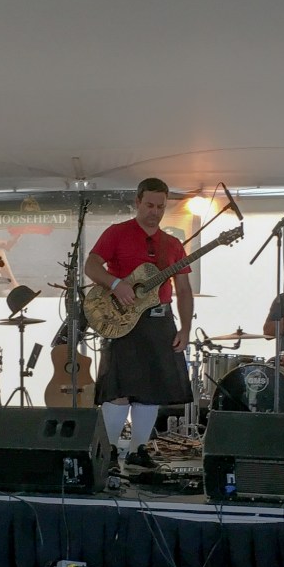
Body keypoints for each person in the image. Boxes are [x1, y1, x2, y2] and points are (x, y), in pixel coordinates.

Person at [85, 177, 193, 471]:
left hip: (159, 321)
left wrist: (185, 328)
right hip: (121, 319)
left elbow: (184, 290)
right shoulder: (117, 233)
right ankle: (106, 453)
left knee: (152, 390)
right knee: (118, 389)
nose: (154, 212)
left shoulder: (172, 244)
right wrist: (115, 283)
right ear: (137, 202)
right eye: (149, 205)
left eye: (160, 206)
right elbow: (91, 265)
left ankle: (138, 450)